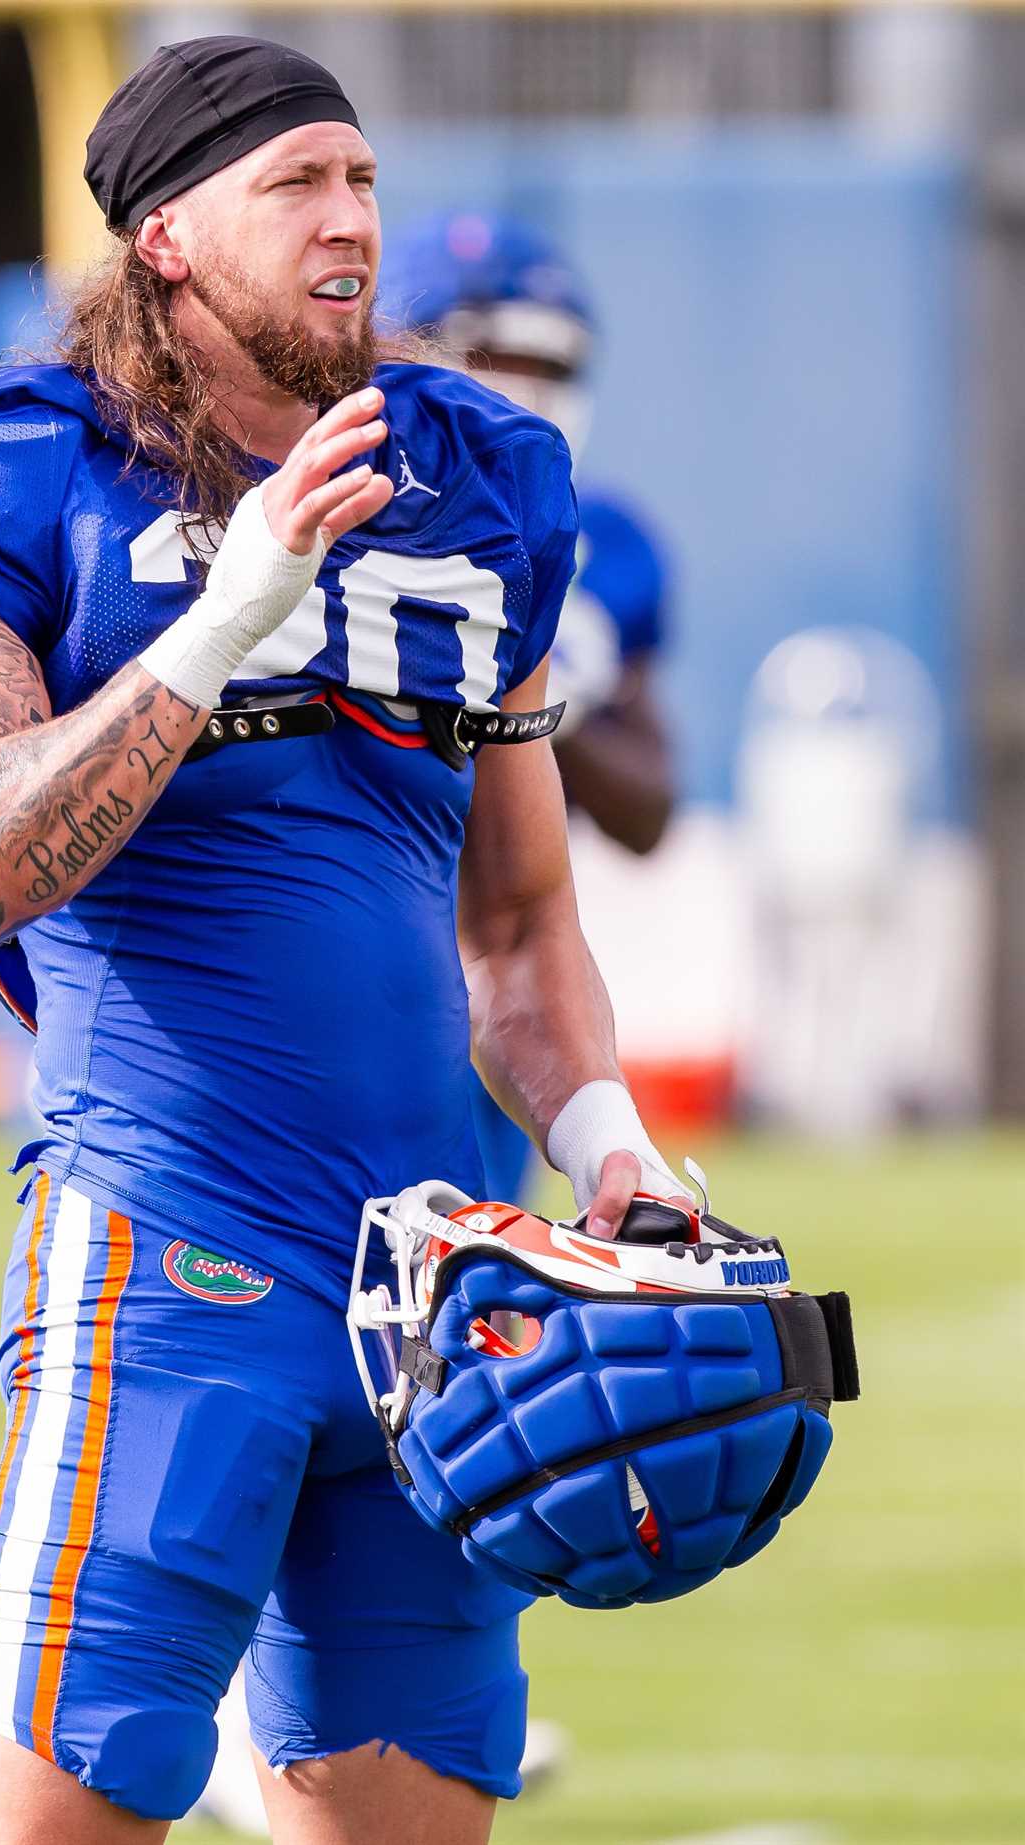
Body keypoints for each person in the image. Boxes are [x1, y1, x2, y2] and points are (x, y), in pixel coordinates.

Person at [0, 37, 689, 1845]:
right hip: (164, 1268)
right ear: (163, 237)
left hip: (435, 1286)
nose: (348, 219)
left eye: (361, 181)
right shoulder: (6, 470)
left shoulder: (477, 480)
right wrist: (219, 628)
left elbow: (520, 921)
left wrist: (608, 1149)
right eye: (294, 185)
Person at [380, 211, 676, 1201]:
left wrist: (545, 681)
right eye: (488, 352)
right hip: (348, 943)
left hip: (502, 962)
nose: (518, 385)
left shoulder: (599, 547)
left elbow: (648, 808)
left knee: (475, 1283)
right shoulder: (333, 508)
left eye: (541, 360)